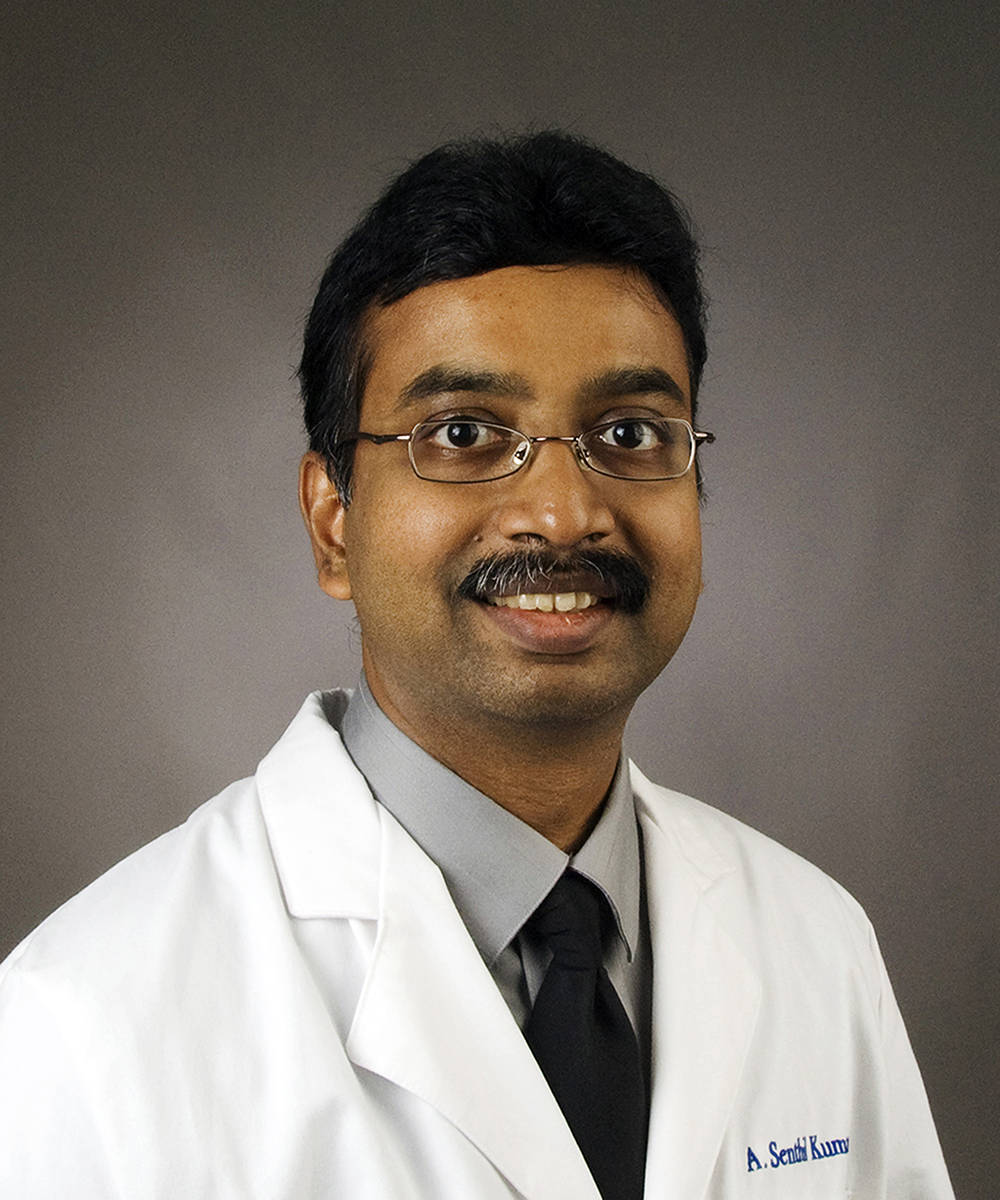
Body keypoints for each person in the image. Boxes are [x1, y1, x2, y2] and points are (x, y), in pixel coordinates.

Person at [0, 131, 953, 1199]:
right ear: (332, 523)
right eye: (462, 434)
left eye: (629, 433)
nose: (562, 512)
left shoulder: (816, 944)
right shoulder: (84, 1022)